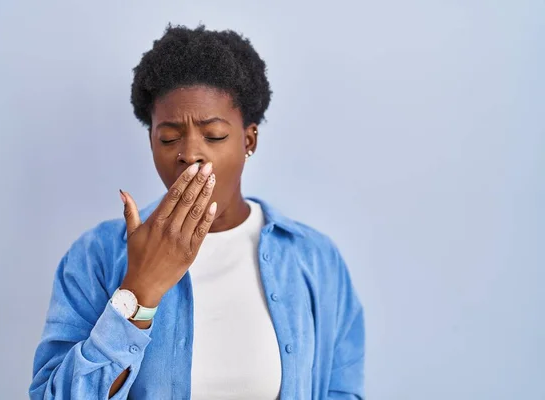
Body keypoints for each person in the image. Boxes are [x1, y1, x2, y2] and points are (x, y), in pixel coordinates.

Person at [29, 24, 365, 400]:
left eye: (215, 135)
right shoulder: (96, 256)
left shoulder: (315, 259)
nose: (189, 153)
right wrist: (140, 290)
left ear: (248, 140)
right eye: (169, 138)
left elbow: (342, 390)